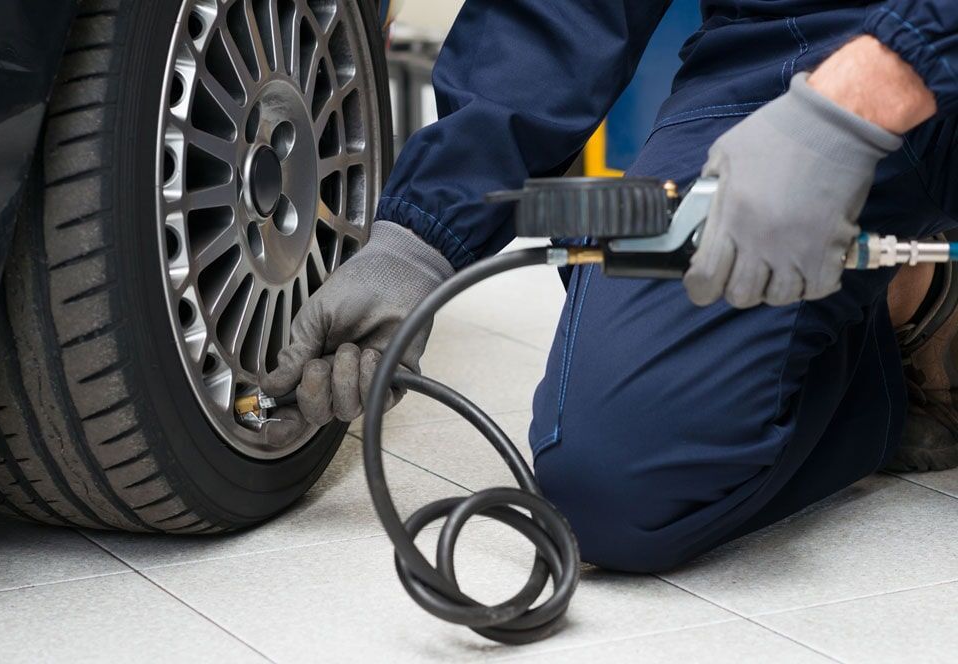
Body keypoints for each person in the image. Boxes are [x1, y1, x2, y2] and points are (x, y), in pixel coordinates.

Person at [263, 2, 958, 572]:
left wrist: (887, 77)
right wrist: (421, 238)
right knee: (615, 481)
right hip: (789, 55)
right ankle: (905, 299)